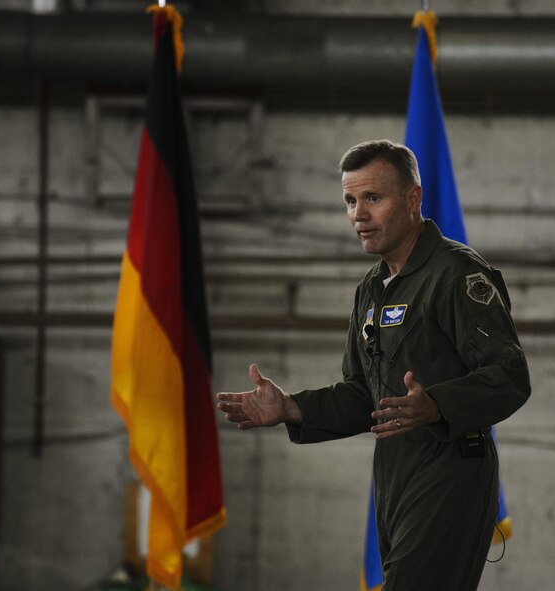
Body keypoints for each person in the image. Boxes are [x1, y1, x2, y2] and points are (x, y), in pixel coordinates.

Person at [216, 139, 531, 590]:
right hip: (394, 469)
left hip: (450, 467)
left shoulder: (457, 274)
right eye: (349, 201)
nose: (358, 214)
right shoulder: (371, 289)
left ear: (413, 199)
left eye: (372, 198)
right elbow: (363, 394)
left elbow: (510, 375)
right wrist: (291, 408)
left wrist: (437, 405)